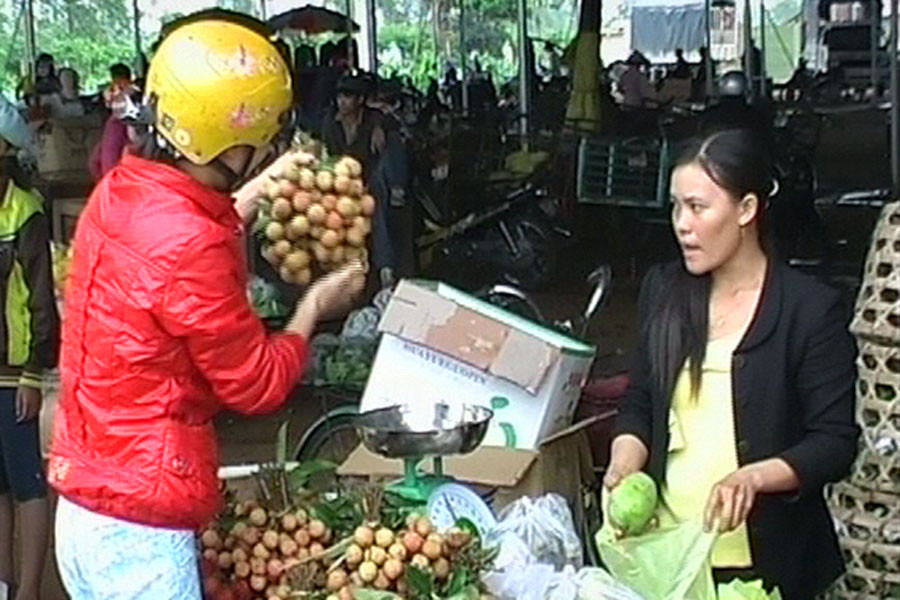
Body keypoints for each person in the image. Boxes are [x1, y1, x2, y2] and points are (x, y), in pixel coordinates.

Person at [49, 15, 365, 597]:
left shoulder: (121, 192)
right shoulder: (191, 244)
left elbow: (179, 240)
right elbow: (257, 383)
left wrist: (260, 188)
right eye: (261, 139)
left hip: (86, 511)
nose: (267, 148)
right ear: (228, 140)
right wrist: (315, 305)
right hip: (141, 533)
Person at [605, 129, 858, 600]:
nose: (682, 224)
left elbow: (834, 443)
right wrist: (624, 462)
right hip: (670, 559)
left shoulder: (809, 310)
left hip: (768, 568)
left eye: (698, 207)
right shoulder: (662, 292)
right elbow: (640, 402)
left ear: (746, 210)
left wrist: (753, 478)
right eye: (676, 207)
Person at [0, 95, 60, 600]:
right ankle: (3, 583)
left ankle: (30, 591)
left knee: (27, 484)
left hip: (14, 372)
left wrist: (34, 374)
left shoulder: (25, 213)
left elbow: (42, 302)